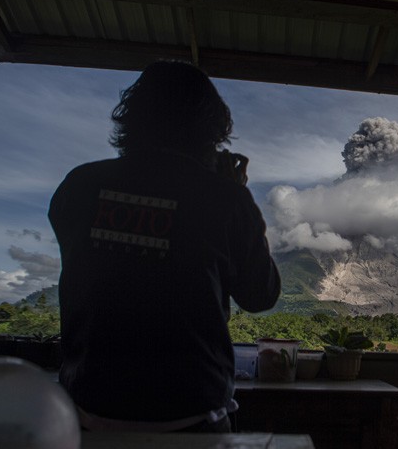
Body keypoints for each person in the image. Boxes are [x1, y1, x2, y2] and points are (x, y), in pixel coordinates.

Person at [49, 60, 281, 432]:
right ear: (210, 130)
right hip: (192, 416)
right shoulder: (224, 198)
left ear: (132, 120)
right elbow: (260, 295)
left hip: (86, 412)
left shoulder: (79, 185)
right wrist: (234, 194)